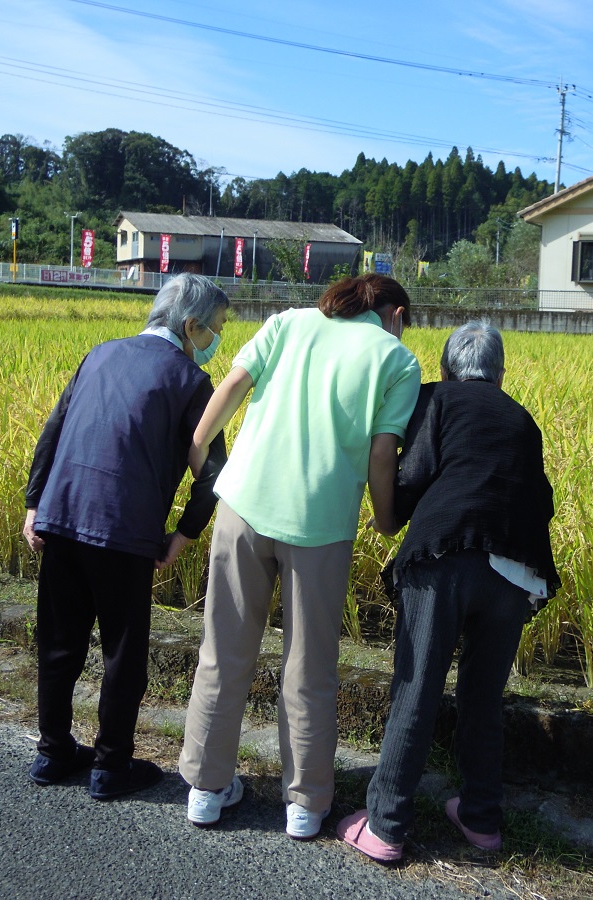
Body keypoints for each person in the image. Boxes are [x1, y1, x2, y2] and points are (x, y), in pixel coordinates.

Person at [178, 273, 421, 839]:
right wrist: (387, 521)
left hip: (244, 504)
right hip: (321, 523)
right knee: (309, 665)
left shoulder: (286, 323)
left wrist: (198, 456)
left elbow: (230, 388)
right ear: (397, 314)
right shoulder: (397, 361)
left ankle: (206, 790)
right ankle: (305, 805)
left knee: (223, 649)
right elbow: (383, 454)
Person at [337, 320, 560, 862]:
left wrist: (389, 520)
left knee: (417, 684)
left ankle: (386, 825)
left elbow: (409, 475)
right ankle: (482, 819)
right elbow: (542, 499)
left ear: (444, 367)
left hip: (442, 558)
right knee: (483, 695)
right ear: (500, 373)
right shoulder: (522, 419)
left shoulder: (435, 400)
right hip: (517, 569)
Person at [22, 273, 230, 801]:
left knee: (59, 644)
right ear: (190, 325)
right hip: (126, 531)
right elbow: (214, 473)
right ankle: (111, 766)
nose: (215, 340)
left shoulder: (99, 353)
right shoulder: (191, 382)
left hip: (62, 517)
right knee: (122, 654)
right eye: (215, 329)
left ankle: (52, 754)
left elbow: (55, 429)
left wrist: (34, 503)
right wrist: (184, 534)